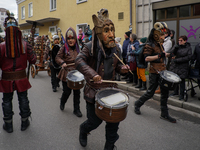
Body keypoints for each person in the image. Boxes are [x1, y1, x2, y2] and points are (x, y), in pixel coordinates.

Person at [75, 8, 129, 150]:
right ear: (99, 33)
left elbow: (116, 67)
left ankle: (109, 147)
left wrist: (123, 69)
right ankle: (83, 130)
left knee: (113, 123)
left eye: (112, 30)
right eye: (106, 31)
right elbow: (79, 61)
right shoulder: (89, 47)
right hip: (93, 91)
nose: (111, 34)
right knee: (94, 122)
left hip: (111, 91)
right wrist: (93, 74)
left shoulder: (116, 49)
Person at [0, 13, 36, 133]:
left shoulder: (1, 47)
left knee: (6, 100)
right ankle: (24, 122)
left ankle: (8, 125)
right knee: (23, 99)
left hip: (6, 79)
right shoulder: (26, 45)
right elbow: (33, 60)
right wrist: (31, 50)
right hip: (21, 78)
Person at [134, 22, 177, 123]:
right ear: (155, 35)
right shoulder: (149, 45)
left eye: (163, 34)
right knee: (150, 93)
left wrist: (169, 55)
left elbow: (162, 55)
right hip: (154, 72)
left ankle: (164, 114)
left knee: (165, 93)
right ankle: (137, 104)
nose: (163, 36)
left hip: (163, 71)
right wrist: (158, 56)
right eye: (161, 35)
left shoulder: (159, 44)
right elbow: (147, 58)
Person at [55, 27, 82, 117]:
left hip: (77, 74)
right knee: (67, 92)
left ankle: (76, 109)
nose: (70, 40)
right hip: (66, 73)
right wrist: (62, 62)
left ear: (75, 39)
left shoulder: (79, 48)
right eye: (69, 38)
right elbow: (57, 57)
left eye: (72, 38)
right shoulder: (63, 48)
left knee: (77, 93)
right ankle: (62, 102)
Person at [169, 35, 192, 100]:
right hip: (176, 65)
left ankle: (182, 94)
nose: (179, 42)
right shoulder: (177, 46)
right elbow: (171, 53)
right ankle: (175, 92)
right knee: (175, 79)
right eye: (179, 40)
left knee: (181, 80)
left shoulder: (188, 48)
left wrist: (178, 60)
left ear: (185, 41)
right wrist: (174, 51)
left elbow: (189, 57)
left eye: (181, 40)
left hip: (183, 66)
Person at [155, 28, 172, 94]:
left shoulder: (168, 42)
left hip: (163, 60)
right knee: (159, 74)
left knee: (163, 74)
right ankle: (159, 88)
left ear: (166, 34)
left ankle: (161, 89)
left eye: (162, 34)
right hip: (159, 59)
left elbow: (165, 51)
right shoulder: (162, 41)